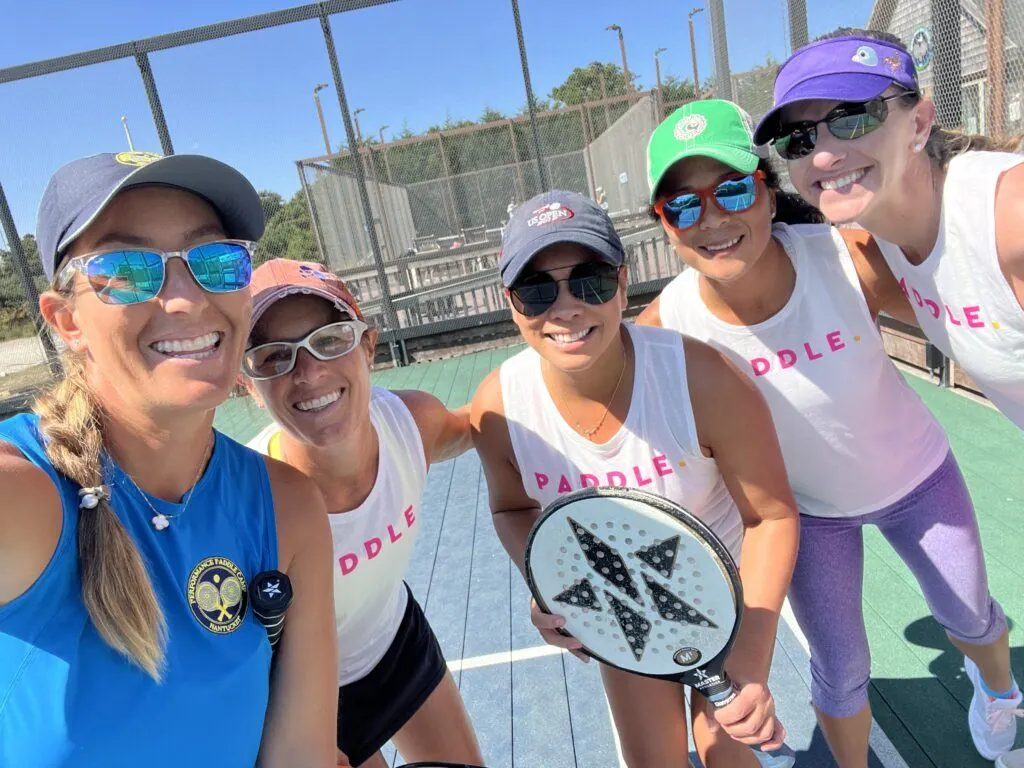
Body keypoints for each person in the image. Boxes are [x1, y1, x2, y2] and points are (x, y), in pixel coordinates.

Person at [639, 99, 1016, 768]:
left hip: (918, 477)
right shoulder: (665, 327)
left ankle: (998, 686)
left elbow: (947, 303)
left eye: (731, 189)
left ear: (767, 189)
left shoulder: (844, 256)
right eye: (684, 206)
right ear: (665, 225)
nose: (715, 219)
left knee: (969, 617)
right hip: (809, 517)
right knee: (839, 671)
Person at [0, 152, 337, 767]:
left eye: (215, 261)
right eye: (128, 269)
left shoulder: (289, 507)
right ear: (65, 318)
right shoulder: (24, 494)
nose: (185, 299)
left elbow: (300, 756)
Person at [469, 190, 800, 768]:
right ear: (511, 303)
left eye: (590, 280)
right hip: (623, 607)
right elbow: (511, 509)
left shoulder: (702, 378)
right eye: (536, 289)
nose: (566, 308)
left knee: (725, 751)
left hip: (724, 594)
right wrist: (548, 580)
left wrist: (749, 652)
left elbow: (770, 516)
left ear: (623, 281)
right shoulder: (499, 407)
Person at [244, 259, 483, 768]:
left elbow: (483, 426)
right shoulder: (249, 504)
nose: (308, 373)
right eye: (273, 356)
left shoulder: (412, 425)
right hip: (312, 702)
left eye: (329, 340)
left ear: (368, 346)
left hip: (398, 647)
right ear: (248, 384)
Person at [752, 30, 1024, 432]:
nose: (824, 156)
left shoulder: (1008, 216)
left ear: (918, 123)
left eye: (853, 118)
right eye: (798, 138)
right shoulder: (879, 241)